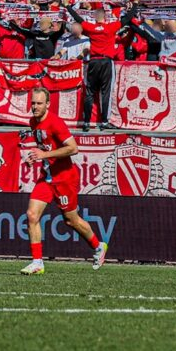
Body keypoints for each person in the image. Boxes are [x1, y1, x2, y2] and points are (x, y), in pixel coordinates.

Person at [21, 87, 109, 274]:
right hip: (47, 178)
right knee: (32, 215)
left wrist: (45, 154)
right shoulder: (33, 121)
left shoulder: (55, 123)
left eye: (39, 103)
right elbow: (44, 148)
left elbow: (73, 148)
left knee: (71, 221)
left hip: (64, 179)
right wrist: (35, 157)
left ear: (48, 104)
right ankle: (37, 263)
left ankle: (98, 245)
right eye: (33, 103)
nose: (35, 107)